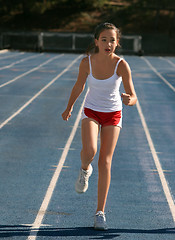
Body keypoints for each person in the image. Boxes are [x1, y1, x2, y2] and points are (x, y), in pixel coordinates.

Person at [62, 22, 137, 230]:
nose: (108, 43)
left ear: (117, 43)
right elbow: (79, 85)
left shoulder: (121, 65)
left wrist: (128, 100)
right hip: (91, 111)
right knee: (90, 151)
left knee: (105, 161)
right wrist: (69, 107)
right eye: (104, 39)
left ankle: (99, 213)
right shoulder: (87, 62)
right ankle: (85, 169)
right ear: (96, 41)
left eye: (112, 40)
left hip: (113, 114)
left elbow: (133, 96)